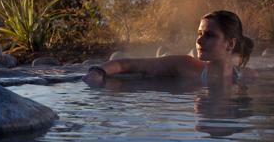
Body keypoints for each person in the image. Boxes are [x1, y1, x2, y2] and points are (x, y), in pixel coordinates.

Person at [83, 10, 255, 85]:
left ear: (230, 44)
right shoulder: (186, 66)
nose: (199, 41)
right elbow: (127, 64)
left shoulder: (244, 77)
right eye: (199, 34)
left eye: (209, 35)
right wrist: (99, 72)